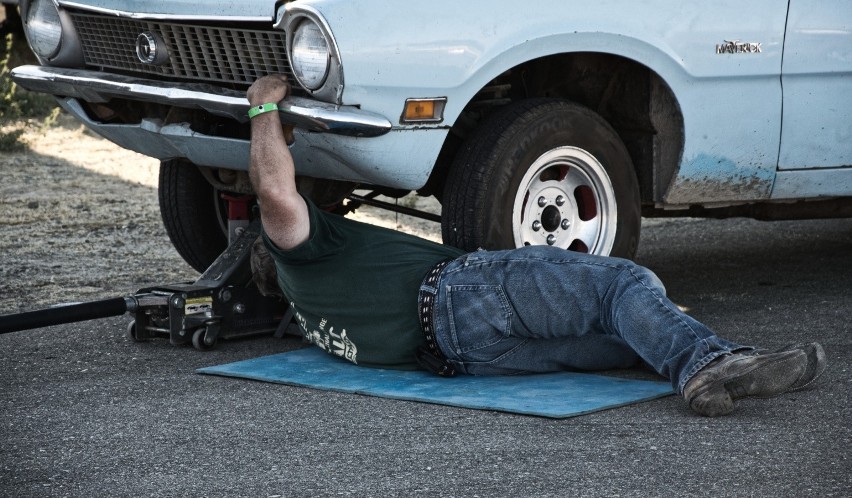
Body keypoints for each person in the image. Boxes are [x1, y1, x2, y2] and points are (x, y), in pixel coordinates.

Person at [247, 74, 825, 417]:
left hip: (468, 358)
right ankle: (712, 365)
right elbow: (274, 193)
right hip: (465, 294)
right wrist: (265, 107)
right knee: (622, 284)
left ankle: (708, 366)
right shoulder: (300, 256)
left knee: (627, 339)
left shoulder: (317, 321)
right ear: (277, 255)